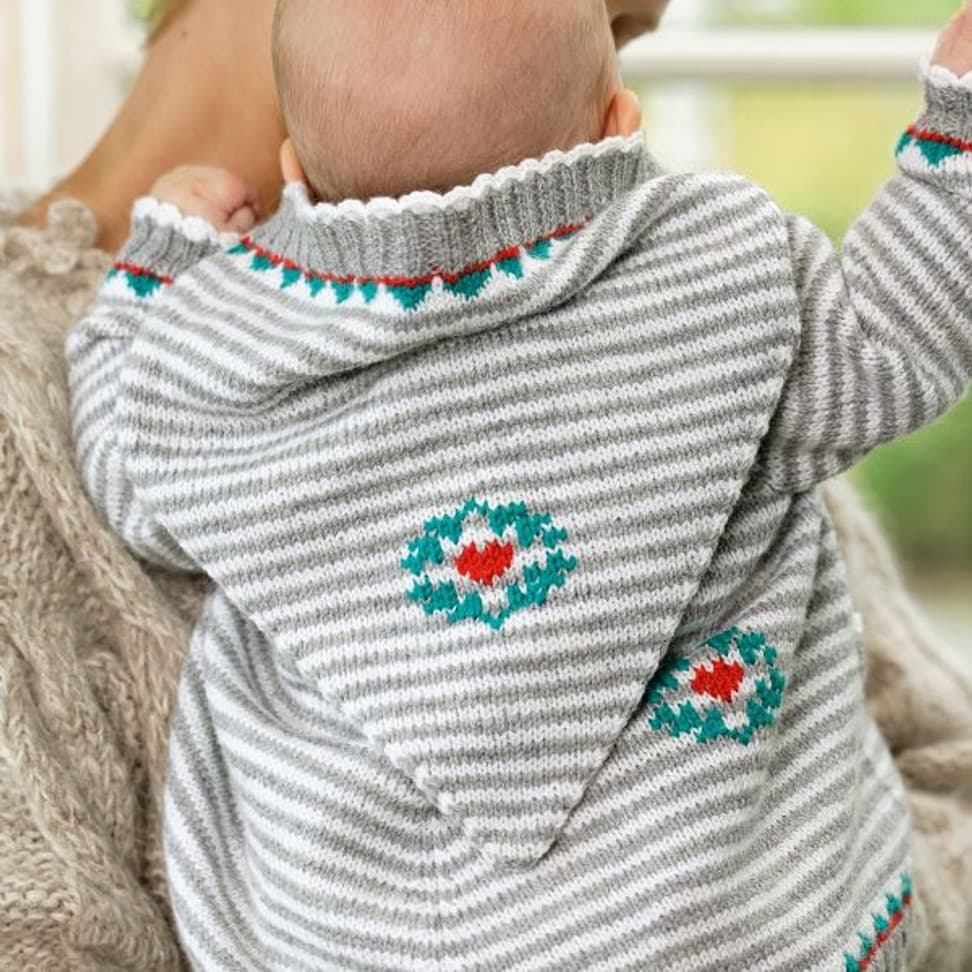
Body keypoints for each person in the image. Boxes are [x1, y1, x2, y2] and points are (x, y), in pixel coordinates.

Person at [1, 0, 970, 969]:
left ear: (296, 168)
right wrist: (956, 140)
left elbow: (122, 461)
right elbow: (897, 342)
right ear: (619, 120)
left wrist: (155, 277)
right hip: (752, 934)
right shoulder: (717, 290)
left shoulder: (219, 357)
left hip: (357, 946)